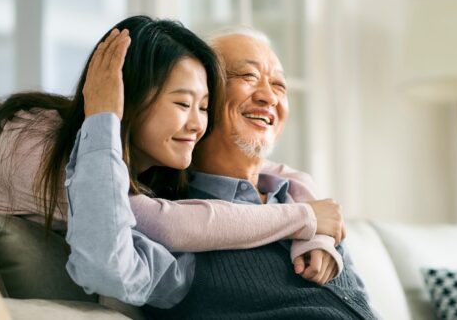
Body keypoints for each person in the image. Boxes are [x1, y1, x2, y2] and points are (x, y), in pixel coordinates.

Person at [0, 16, 344, 280]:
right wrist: (303, 218)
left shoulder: (156, 154)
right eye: (184, 103)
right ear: (130, 100)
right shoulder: (45, 146)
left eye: (204, 106)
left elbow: (276, 172)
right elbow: (165, 225)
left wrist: (315, 221)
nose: (197, 125)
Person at [66, 27, 376, 319]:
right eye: (248, 76)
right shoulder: (168, 229)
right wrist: (103, 118)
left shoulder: (308, 205)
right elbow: (108, 267)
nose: (269, 96)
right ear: (206, 97)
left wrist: (310, 217)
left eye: (279, 84)